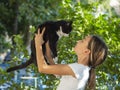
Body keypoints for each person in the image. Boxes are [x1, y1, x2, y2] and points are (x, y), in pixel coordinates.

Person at [35, 28, 108, 90]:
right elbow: (56, 71)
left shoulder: (79, 69)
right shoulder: (82, 70)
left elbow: (42, 68)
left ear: (86, 51)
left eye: (82, 41)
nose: (78, 41)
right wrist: (47, 46)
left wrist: (38, 44)